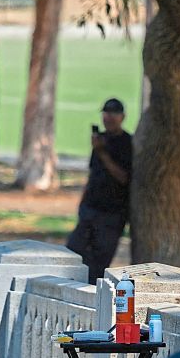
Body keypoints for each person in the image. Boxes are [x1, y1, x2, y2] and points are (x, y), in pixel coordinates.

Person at [66, 98, 133, 284]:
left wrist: (103, 153)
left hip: (112, 213)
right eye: (105, 114)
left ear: (122, 117)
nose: (108, 118)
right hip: (90, 209)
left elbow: (123, 178)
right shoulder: (100, 141)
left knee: (99, 262)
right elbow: (93, 174)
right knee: (74, 252)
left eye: (113, 114)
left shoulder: (127, 143)